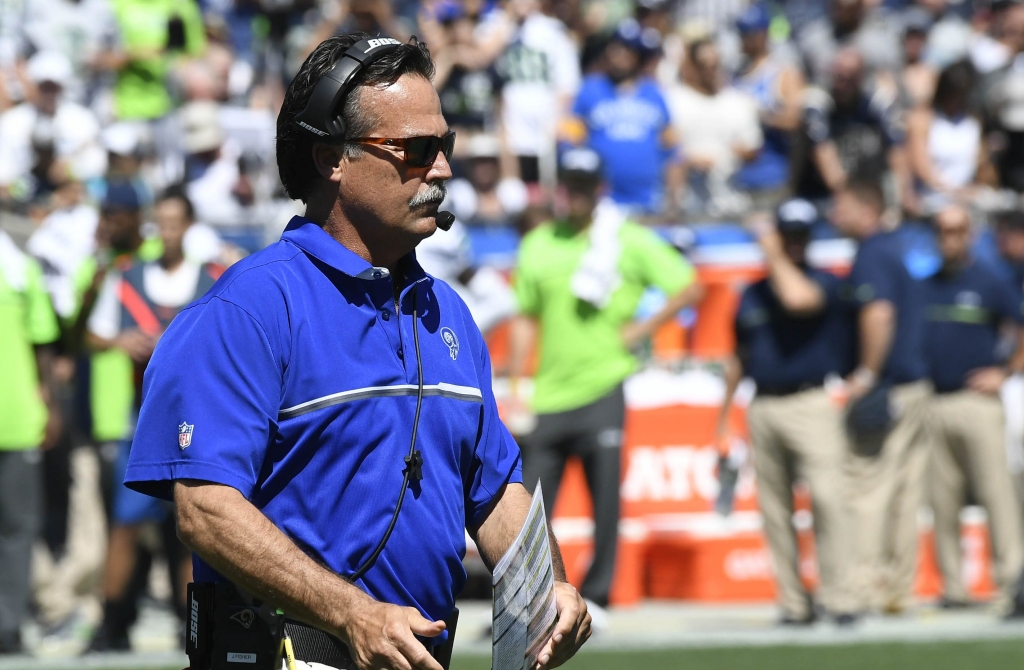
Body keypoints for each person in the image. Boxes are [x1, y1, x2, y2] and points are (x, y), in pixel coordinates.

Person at [124, 34, 591, 670]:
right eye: (418, 151)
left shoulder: (447, 311)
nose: (443, 171)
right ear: (332, 159)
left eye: (445, 147)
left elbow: (494, 489)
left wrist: (548, 593)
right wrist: (351, 614)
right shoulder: (246, 310)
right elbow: (205, 511)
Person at [509, 147, 704, 613]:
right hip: (550, 394)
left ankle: (598, 599)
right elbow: (524, 318)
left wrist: (642, 328)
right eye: (570, 185)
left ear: (599, 190)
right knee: (530, 510)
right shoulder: (538, 243)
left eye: (584, 186)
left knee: (605, 507)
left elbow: (689, 285)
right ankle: (526, 603)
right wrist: (517, 386)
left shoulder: (626, 240)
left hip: (603, 386)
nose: (576, 195)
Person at [85, 185, 220, 651]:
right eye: (159, 221)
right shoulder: (128, 277)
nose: (165, 231)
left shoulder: (215, 276)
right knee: (125, 525)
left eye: (173, 221)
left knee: (194, 527)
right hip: (140, 420)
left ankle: (195, 624)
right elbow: (97, 333)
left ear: (188, 225)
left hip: (198, 421)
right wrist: (123, 343)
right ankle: (111, 621)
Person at [716, 198, 857, 626]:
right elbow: (738, 356)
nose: (794, 243)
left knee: (828, 500)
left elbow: (798, 300)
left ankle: (840, 598)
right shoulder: (753, 294)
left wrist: (772, 250)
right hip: (764, 403)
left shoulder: (827, 282)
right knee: (774, 510)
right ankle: (795, 603)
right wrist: (723, 419)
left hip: (811, 401)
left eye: (800, 235)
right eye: (787, 235)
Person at [832, 180, 933, 615]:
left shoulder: (872, 252)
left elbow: (879, 313)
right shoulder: (898, 247)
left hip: (888, 386)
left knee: (866, 488)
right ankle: (898, 587)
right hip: (915, 385)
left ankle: (863, 587)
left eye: (842, 204)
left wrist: (866, 375)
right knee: (905, 491)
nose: (834, 213)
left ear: (867, 208)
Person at [923, 205, 1024, 616]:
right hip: (934, 400)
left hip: (977, 402)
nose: (951, 238)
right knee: (942, 500)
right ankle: (953, 586)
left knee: (996, 494)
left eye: (958, 230)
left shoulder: (988, 281)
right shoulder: (926, 285)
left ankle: (1010, 583)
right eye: (944, 231)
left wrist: (1005, 371)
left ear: (969, 234)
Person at [0, 229, 61, 655]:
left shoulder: (17, 264)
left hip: (18, 418)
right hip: (18, 417)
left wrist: (50, 405)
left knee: (18, 530)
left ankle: (9, 626)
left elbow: (43, 340)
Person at [567, 20, 682, 217]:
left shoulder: (654, 94)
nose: (620, 55)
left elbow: (673, 150)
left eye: (627, 49)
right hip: (603, 201)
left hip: (650, 201)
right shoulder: (590, 90)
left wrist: (674, 202)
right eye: (616, 48)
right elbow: (571, 145)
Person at [791, 48, 910, 211]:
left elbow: (897, 150)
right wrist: (850, 205)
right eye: (838, 77)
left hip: (867, 187)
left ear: (861, 78)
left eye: (849, 79)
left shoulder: (878, 99)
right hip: (820, 193)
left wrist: (902, 196)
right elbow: (825, 156)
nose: (842, 85)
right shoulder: (817, 100)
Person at [668, 36, 762, 218]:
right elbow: (668, 146)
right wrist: (690, 158)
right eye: (703, 64)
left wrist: (733, 153)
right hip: (691, 205)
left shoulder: (738, 101)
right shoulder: (673, 101)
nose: (711, 71)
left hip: (733, 202)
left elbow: (753, 148)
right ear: (690, 65)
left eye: (715, 64)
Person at [0, 51, 106, 203]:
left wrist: (70, 171)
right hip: (22, 202)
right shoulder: (12, 121)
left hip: (68, 201)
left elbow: (97, 164)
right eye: (44, 87)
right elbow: (3, 173)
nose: (49, 94)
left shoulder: (83, 120)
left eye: (54, 87)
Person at [733, 3, 806, 203]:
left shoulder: (782, 73)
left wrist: (761, 116)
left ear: (762, 35)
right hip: (738, 178)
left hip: (771, 176)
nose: (742, 40)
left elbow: (795, 120)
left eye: (748, 34)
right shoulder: (736, 75)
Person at [906, 60, 993, 212]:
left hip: (968, 200)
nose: (956, 100)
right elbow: (920, 166)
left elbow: (982, 165)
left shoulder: (974, 120)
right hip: (931, 199)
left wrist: (977, 189)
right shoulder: (923, 118)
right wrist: (952, 192)